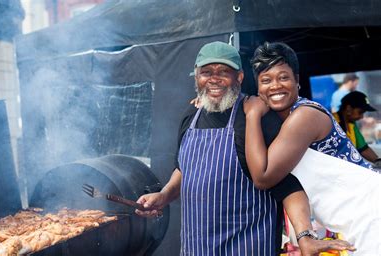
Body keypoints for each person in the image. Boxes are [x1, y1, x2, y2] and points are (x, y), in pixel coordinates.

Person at [135, 41, 351, 255]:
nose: (214, 79)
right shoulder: (190, 116)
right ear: (196, 77)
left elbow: (289, 185)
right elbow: (184, 169)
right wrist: (163, 196)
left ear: (239, 77)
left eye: (223, 72)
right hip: (196, 247)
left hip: (247, 246)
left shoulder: (256, 117)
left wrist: (305, 234)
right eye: (206, 72)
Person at [245, 41, 381, 255]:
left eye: (283, 77)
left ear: (297, 81)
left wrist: (252, 114)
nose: (275, 86)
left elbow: (263, 177)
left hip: (371, 214)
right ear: (258, 87)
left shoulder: (304, 116)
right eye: (266, 80)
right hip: (358, 218)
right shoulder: (280, 121)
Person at [334, 91, 381, 166]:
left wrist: (377, 161)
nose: (362, 117)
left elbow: (363, 148)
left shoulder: (351, 124)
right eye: (360, 112)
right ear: (348, 109)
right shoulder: (332, 122)